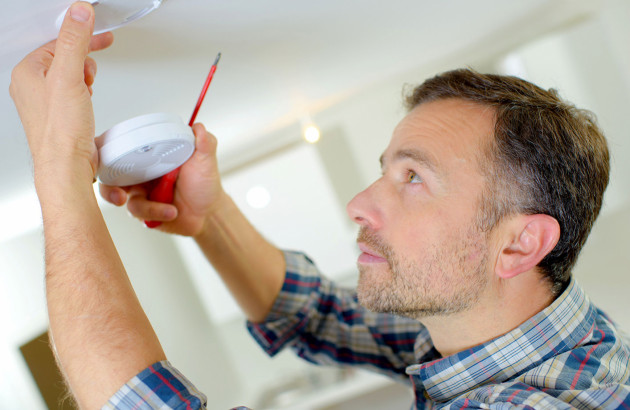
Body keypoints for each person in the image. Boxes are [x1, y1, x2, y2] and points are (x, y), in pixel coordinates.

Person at [9, 2, 630, 409]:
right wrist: (211, 214)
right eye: (384, 171)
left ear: (520, 244)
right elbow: (319, 316)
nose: (359, 203)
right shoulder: (508, 331)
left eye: (414, 178)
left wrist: (59, 174)